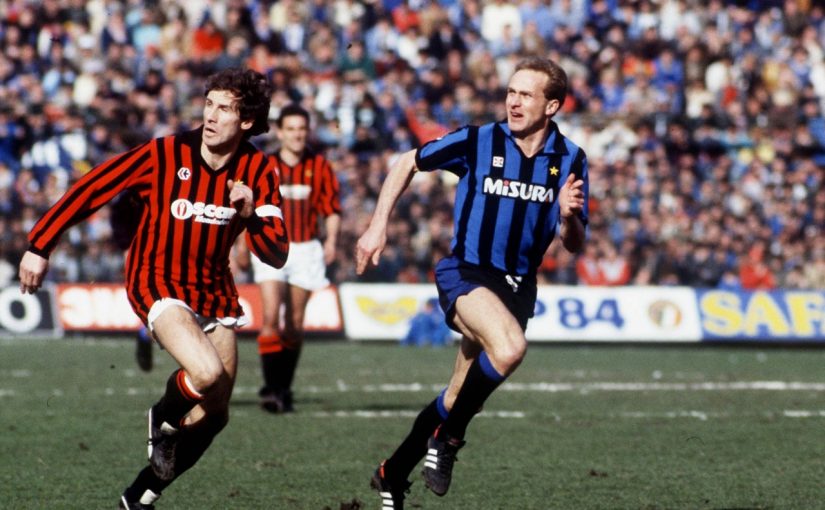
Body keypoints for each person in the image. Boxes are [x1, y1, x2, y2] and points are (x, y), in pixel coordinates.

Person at [18, 67, 289, 509]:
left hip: (215, 290)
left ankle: (140, 494)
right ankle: (162, 416)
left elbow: (276, 254)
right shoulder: (165, 152)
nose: (211, 115)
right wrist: (40, 244)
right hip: (157, 278)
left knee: (215, 414)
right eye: (209, 104)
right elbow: (96, 185)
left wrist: (252, 213)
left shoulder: (258, 169)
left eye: (224, 109)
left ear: (246, 120)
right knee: (205, 374)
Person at [356, 56, 588, 509]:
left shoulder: (571, 159)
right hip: (466, 271)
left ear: (552, 106)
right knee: (510, 348)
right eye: (511, 92)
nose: (514, 102)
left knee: (459, 395)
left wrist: (569, 215)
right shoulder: (479, 140)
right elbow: (407, 162)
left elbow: (574, 242)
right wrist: (377, 225)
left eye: (526, 95)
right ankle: (449, 439)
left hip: (518, 287)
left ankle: (392, 473)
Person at [245, 103, 341, 413]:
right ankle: (270, 389)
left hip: (306, 249)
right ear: (281, 132)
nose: (297, 135)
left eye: (302, 129)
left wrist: (332, 241)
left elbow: (331, 209)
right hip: (270, 246)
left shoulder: (320, 166)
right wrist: (239, 246)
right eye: (291, 129)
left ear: (307, 131)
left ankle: (284, 387)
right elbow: (247, 207)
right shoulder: (265, 164)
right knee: (270, 318)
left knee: (295, 324)